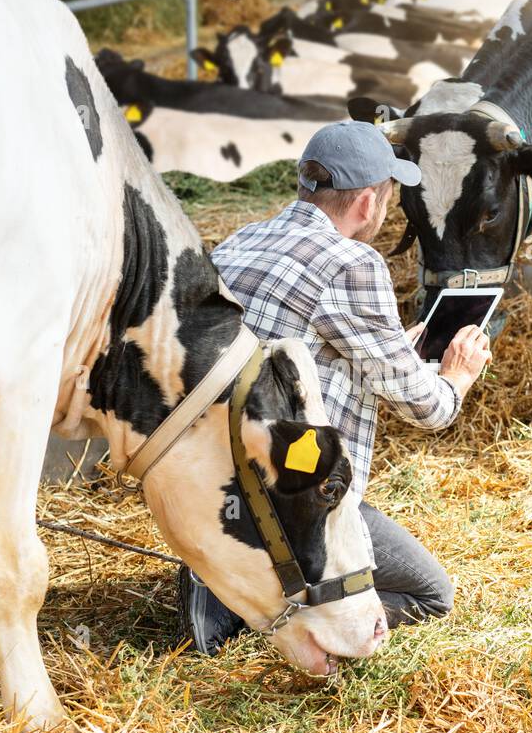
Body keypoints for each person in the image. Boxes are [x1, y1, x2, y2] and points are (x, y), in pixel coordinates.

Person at [177, 120, 492, 655]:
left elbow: (299, 340)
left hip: (211, 484)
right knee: (432, 593)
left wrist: (390, 344)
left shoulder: (240, 239)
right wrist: (455, 378)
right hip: (294, 500)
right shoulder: (353, 262)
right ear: (368, 203)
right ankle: (260, 613)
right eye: (389, 197)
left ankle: (224, 571)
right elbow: (426, 409)